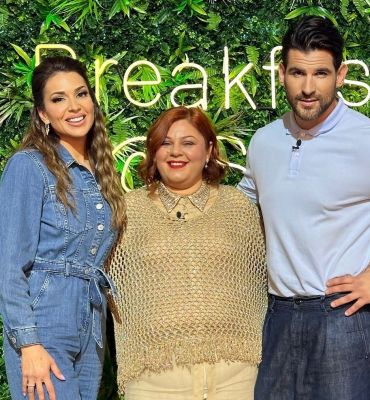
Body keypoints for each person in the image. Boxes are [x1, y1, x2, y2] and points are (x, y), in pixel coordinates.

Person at [237, 16, 370, 400]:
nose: (308, 88)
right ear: (282, 74)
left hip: (345, 320)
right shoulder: (264, 141)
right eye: (298, 73)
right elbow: (241, 211)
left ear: (341, 75)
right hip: (277, 318)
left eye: (321, 73)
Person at [107, 106, 267, 400]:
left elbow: (271, 271)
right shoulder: (127, 211)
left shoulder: (238, 207)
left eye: (188, 143)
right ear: (154, 152)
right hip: (153, 379)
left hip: (235, 375)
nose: (175, 152)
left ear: (209, 151)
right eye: (165, 143)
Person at [0, 56, 126, 400]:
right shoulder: (29, 166)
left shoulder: (101, 172)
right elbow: (9, 266)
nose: (74, 106)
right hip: (44, 321)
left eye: (81, 94)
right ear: (43, 114)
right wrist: (29, 343)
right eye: (59, 99)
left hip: (91, 322)